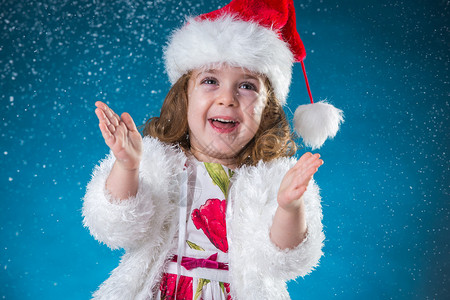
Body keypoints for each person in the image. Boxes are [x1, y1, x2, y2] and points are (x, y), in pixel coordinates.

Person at [82, 0, 343, 299]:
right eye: (210, 81)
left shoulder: (276, 178)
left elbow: (284, 259)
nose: (227, 99)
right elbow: (117, 227)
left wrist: (289, 207)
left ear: (267, 109)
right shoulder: (156, 161)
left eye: (247, 86)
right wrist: (127, 167)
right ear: (184, 98)